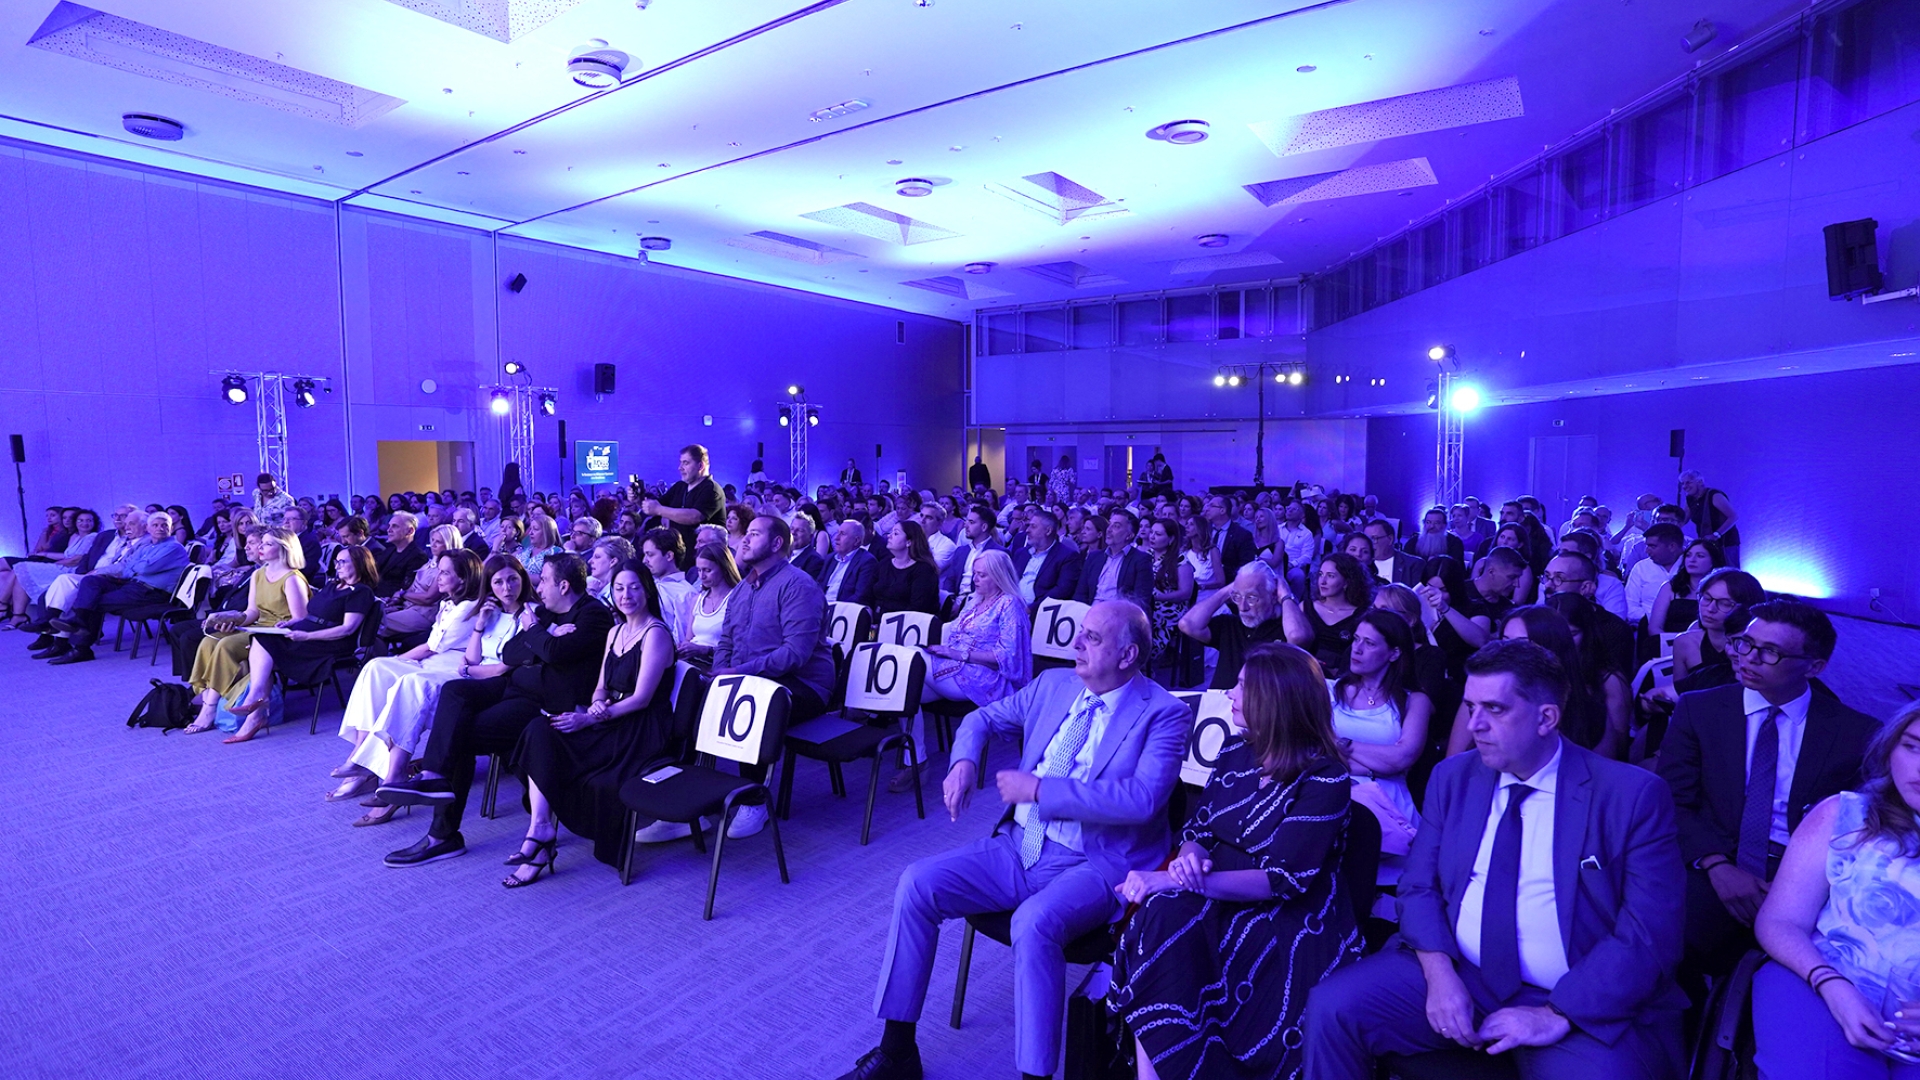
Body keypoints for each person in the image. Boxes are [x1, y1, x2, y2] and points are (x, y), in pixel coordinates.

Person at [1304, 639, 1689, 1079]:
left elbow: (1649, 932)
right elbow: (1418, 886)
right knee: (1333, 1008)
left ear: (1546, 718)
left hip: (1575, 992)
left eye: (1495, 709)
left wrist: (1557, 1013)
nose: (1475, 725)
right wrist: (1439, 974)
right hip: (1461, 970)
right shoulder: (1453, 777)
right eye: (1470, 707)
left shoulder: (1629, 795)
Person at [836, 602, 1190, 1080]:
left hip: (1094, 862)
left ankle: (1034, 1076)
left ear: (1128, 655)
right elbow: (981, 719)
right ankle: (897, 1052)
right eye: (1080, 632)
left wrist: (1041, 790)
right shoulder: (1054, 684)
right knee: (917, 882)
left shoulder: (1165, 713)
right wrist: (964, 760)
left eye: (1092, 638)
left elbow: (1143, 799)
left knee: (1032, 923)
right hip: (1019, 845)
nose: (1075, 644)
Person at [1110, 642, 1361, 1080]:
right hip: (1217, 890)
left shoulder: (1326, 778)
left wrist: (1178, 881)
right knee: (1160, 915)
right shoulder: (1234, 752)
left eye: (1243, 687)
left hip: (1286, 918)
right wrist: (1188, 862)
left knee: (1178, 919)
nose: (1229, 693)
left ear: (1276, 700)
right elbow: (1199, 830)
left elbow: (1281, 880)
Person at [1655, 599, 1879, 1007]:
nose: (1748, 658)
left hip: (1807, 873)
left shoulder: (1855, 732)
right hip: (1716, 857)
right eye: (1745, 643)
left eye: (1770, 652)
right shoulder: (1700, 710)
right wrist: (1717, 866)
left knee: (1826, 971)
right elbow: (1673, 799)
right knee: (1669, 943)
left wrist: (1796, 883)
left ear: (1813, 667)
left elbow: (1860, 825)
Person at [377, 553, 615, 866]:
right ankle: (433, 774)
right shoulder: (547, 613)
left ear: (564, 585)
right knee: (454, 690)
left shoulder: (592, 614)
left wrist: (539, 636)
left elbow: (556, 653)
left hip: (542, 703)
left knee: (460, 734)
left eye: (544, 580)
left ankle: (442, 836)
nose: (538, 587)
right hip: (513, 687)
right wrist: (544, 639)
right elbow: (512, 652)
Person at [1752, 701, 1920, 1077]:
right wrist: (1833, 986)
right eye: (1912, 746)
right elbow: (1780, 921)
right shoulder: (1843, 816)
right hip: (1818, 981)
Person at [508, 562, 679, 881]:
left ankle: (540, 843)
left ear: (647, 591)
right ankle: (540, 828)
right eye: (619, 588)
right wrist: (597, 702)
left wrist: (588, 718)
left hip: (640, 729)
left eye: (634, 587)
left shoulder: (655, 634)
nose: (626, 595)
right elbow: (601, 685)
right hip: (608, 716)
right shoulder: (615, 631)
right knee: (540, 730)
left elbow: (641, 699)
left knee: (559, 745)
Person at [333, 552, 508, 825]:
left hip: (451, 667)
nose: (438, 578)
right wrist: (394, 661)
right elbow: (431, 647)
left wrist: (400, 660)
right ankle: (361, 757)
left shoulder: (470, 608)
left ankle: (389, 777)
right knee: (376, 668)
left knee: (409, 683)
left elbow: (433, 647)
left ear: (463, 579)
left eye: (445, 572)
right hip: (437, 661)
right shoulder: (449, 603)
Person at [701, 515, 834, 838]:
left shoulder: (798, 586)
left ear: (776, 544)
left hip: (804, 684)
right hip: (751, 676)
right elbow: (726, 640)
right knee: (697, 698)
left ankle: (754, 799)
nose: (744, 540)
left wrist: (736, 674)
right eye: (745, 533)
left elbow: (795, 654)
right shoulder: (743, 588)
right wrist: (721, 674)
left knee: (752, 704)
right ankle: (694, 803)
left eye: (754, 534)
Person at [1331, 609, 1432, 907]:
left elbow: (1403, 757)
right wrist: (1375, 765)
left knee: (1386, 904)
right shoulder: (1332, 691)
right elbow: (1316, 749)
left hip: (1391, 808)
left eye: (1370, 643)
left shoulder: (1415, 700)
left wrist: (1343, 744)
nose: (1357, 649)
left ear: (1394, 653)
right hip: (1336, 798)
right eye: (1356, 639)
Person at [227, 545, 379, 724]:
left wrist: (306, 636)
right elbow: (312, 613)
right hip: (306, 635)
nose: (337, 566)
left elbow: (347, 629)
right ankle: (256, 702)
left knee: (264, 645)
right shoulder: (333, 585)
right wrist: (291, 623)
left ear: (359, 564)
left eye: (343, 562)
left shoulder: (361, 592)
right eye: (336, 561)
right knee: (262, 640)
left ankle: (256, 703)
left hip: (330, 643)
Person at [182, 527, 311, 736]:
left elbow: (301, 618)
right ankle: (207, 695)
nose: (261, 547)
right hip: (257, 627)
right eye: (262, 543)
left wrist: (279, 625)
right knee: (209, 640)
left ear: (284, 549)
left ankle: (209, 707)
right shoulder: (258, 574)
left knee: (225, 645)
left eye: (267, 544)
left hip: (278, 634)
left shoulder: (292, 578)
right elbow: (252, 612)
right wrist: (231, 619)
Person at [45, 511, 189, 665]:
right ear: (148, 528)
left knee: (92, 602)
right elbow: (126, 569)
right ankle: (78, 623)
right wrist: (136, 567)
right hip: (134, 586)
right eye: (155, 525)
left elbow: (145, 568)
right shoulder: (148, 547)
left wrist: (136, 566)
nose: (160, 528)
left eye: (164, 525)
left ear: (171, 528)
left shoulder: (174, 547)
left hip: (151, 593)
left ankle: (81, 648)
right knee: (91, 581)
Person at [1668, 567, 1767, 683]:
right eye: (1706, 598)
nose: (1710, 609)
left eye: (1725, 604)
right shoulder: (1684, 642)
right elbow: (1678, 691)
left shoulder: (1755, 651)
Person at [641, 445, 725, 568]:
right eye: (681, 463)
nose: (680, 467)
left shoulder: (711, 489)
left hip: (704, 561)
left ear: (700, 466)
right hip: (680, 559)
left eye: (686, 463)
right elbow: (655, 506)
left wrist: (659, 510)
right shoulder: (680, 487)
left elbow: (694, 516)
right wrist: (638, 498)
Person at [379, 524, 463, 641]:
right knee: (372, 612)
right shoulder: (429, 563)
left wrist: (402, 594)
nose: (433, 544)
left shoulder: (445, 570)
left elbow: (428, 598)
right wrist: (396, 599)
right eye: (432, 540)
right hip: (408, 606)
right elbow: (412, 588)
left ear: (449, 544)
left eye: (438, 542)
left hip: (425, 614)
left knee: (377, 622)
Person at [1302, 553, 1370, 680]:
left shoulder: (1362, 615)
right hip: (1304, 673)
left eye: (1330, 576)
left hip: (1342, 679)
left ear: (1346, 582)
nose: (1323, 581)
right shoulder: (1305, 607)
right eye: (1321, 574)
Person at [1071, 508, 1152, 614]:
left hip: (1118, 616)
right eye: (1110, 524)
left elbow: (1140, 600)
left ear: (1129, 535)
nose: (1109, 530)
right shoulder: (1094, 557)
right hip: (1090, 613)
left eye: (1116, 526)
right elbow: (1080, 593)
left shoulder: (1141, 560)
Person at [674, 541, 738, 664]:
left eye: (707, 570)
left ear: (724, 568)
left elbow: (737, 646)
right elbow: (689, 639)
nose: (701, 576)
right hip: (692, 662)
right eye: (699, 570)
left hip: (717, 663)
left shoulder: (736, 599)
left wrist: (704, 650)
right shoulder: (697, 599)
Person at [1649, 537, 1725, 637]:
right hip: (1670, 642)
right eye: (1688, 555)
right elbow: (1654, 628)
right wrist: (1678, 642)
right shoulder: (1670, 587)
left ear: (1712, 562)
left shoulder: (1723, 590)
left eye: (1700, 556)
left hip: (1708, 643)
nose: (1692, 560)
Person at [1012, 509, 1083, 611]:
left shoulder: (1068, 556)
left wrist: (1031, 609)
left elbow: (1062, 591)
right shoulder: (1021, 553)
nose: (1027, 530)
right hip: (1011, 607)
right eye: (1028, 526)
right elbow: (1009, 581)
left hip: (1040, 612)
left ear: (1048, 531)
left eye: (1033, 526)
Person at [939, 502, 1005, 605]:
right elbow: (950, 579)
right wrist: (951, 600)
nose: (965, 525)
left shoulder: (999, 553)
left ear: (984, 527)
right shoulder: (961, 551)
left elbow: (996, 588)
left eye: (971, 522)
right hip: (956, 600)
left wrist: (965, 604)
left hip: (981, 603)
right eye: (966, 521)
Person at [874, 521, 940, 616]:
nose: (889, 536)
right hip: (878, 619)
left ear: (909, 542)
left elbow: (918, 608)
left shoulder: (924, 570)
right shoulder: (885, 564)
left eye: (896, 533)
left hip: (907, 622)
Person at [1624, 522, 1683, 626]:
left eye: (1652, 546)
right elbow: (1629, 606)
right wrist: (1656, 620)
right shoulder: (1641, 567)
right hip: (1645, 627)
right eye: (1647, 546)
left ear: (1672, 546)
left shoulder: (1693, 566)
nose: (1647, 551)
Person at [1680, 470, 1740, 567]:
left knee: (1729, 571)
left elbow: (1733, 516)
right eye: (1682, 483)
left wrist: (1716, 535)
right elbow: (1683, 519)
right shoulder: (1690, 499)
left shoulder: (1714, 495)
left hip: (1726, 543)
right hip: (1708, 543)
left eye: (1688, 482)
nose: (1684, 486)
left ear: (1700, 482)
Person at [819, 519, 878, 607]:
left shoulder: (867, 562)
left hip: (843, 610)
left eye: (842, 534)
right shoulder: (830, 558)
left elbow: (860, 596)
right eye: (837, 533)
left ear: (856, 541)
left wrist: (833, 608)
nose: (836, 538)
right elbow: (818, 585)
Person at [371, 511, 428, 599]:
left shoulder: (418, 556)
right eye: (389, 526)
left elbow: (406, 588)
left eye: (395, 526)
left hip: (392, 600)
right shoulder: (388, 550)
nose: (389, 530)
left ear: (410, 531)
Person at [1201, 495, 1259, 581]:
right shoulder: (1203, 531)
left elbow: (1246, 566)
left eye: (1211, 505)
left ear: (1222, 510)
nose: (1206, 509)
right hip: (1202, 582)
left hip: (1229, 584)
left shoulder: (1242, 535)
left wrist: (1224, 573)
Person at [1365, 519, 1425, 586]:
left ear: (1390, 539)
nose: (1369, 544)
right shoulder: (1360, 563)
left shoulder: (1412, 565)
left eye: (1374, 538)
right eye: (1366, 539)